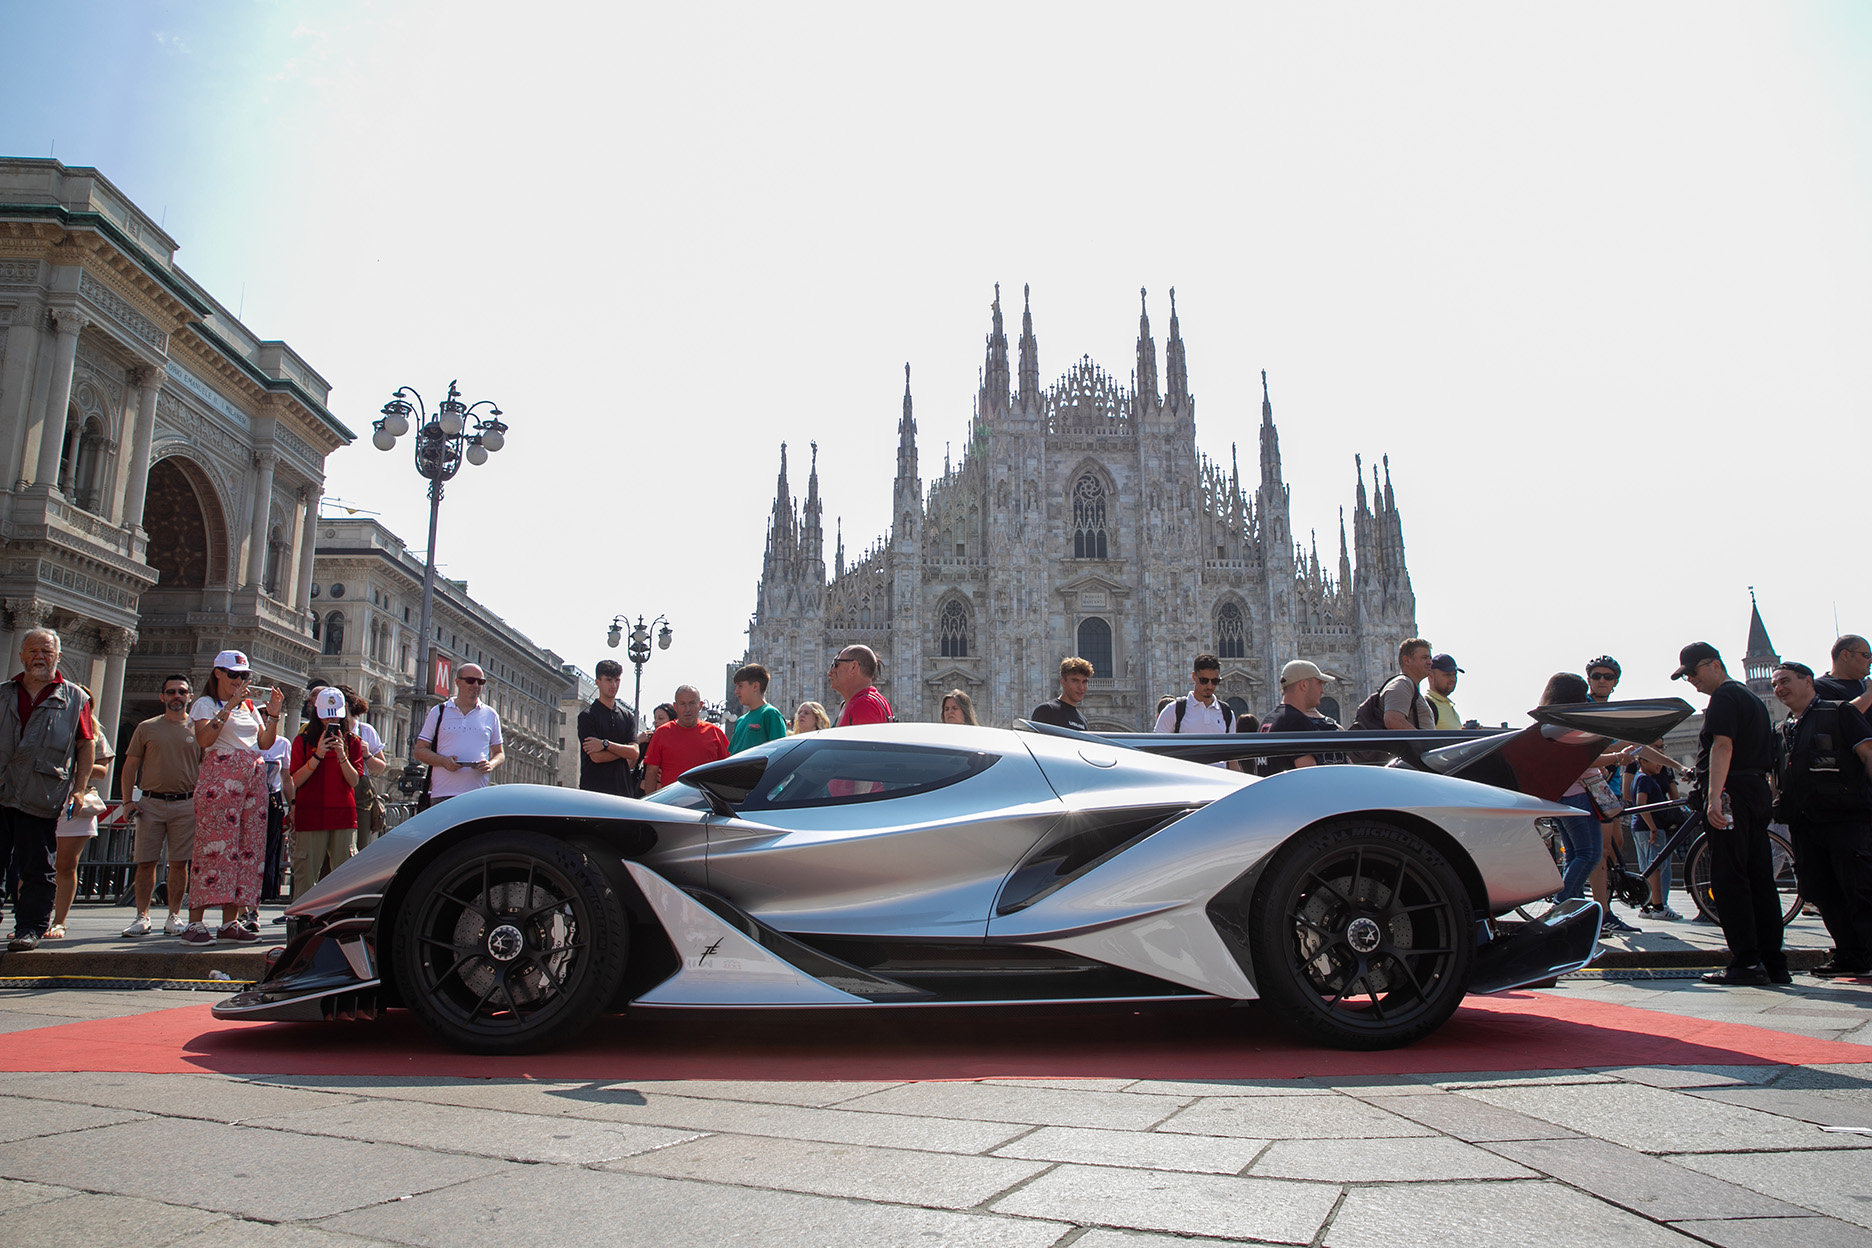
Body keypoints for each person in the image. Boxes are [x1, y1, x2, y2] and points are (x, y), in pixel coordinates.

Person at [1673, 641, 1786, 986]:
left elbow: (1723, 746)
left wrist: (1713, 796)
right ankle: (1773, 961)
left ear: (1714, 665)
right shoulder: (1752, 700)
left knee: (1729, 878)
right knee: (1760, 878)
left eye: (1693, 672)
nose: (1691, 680)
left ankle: (1746, 962)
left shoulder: (1723, 698)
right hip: (1754, 791)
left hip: (1732, 790)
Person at [1771, 660, 1872, 978]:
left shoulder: (1839, 712)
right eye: (1775, 684)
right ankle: (1849, 954)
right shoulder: (1784, 727)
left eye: (1785, 680)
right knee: (1822, 891)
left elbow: (1868, 753)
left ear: (1808, 682)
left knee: (1858, 888)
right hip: (1804, 823)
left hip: (1846, 819)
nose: (1779, 688)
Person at [0, 629, 98, 952]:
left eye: (46, 651)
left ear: (58, 656)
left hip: (41, 794)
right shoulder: (4, 693)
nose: (39, 657)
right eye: (33, 651)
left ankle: (30, 928)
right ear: (21, 656)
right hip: (2, 789)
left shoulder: (76, 699)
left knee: (37, 867)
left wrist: (80, 789)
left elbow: (86, 746)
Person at [186, 649, 284, 945]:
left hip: (252, 775)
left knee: (247, 847)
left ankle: (231, 920)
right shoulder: (205, 703)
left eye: (244, 675)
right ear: (218, 673)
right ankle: (194, 923)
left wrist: (275, 714)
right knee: (213, 845)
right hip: (221, 775)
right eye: (234, 675)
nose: (239, 680)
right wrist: (228, 705)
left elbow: (264, 743)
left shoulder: (249, 706)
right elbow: (204, 740)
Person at [119, 674, 202, 937]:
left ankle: (174, 915)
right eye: (171, 692)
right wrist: (127, 802)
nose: (176, 696)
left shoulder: (199, 729)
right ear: (162, 697)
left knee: (179, 863)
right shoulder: (146, 727)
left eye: (181, 692)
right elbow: (130, 765)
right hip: (150, 803)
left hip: (186, 803)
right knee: (146, 862)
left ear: (190, 696)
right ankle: (141, 916)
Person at [287, 686, 365, 900]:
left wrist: (341, 755)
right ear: (316, 714)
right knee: (306, 877)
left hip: (343, 816)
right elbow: (298, 779)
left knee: (345, 875)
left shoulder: (352, 742)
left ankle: (341, 924)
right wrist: (318, 754)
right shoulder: (302, 741)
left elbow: (354, 781)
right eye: (325, 718)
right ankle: (303, 924)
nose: (330, 723)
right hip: (311, 815)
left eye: (336, 718)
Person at [48, 712, 111, 939]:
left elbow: (103, 771)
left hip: (76, 804)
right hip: (42, 799)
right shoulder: (47, 726)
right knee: (33, 864)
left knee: (65, 866)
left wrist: (77, 762)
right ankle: (31, 919)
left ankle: (58, 921)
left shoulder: (95, 735)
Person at [412, 663, 504, 802]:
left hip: (477, 795)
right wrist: (443, 761)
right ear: (457, 682)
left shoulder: (490, 714)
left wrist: (490, 764)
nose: (476, 685)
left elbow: (500, 753)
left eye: (480, 682)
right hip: (442, 795)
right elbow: (419, 750)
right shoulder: (439, 711)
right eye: (470, 680)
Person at [1154, 653, 1236, 768]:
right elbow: (1155, 752)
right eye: (1204, 680)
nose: (1209, 686)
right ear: (1194, 676)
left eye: (1215, 681)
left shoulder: (1227, 714)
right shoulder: (1174, 711)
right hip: (1186, 783)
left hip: (1218, 783)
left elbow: (1232, 758)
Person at [1628, 753, 1684, 921]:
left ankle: (1647, 905)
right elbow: (1641, 804)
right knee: (1656, 867)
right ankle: (1659, 907)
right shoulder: (1644, 779)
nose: (1659, 765)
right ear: (1643, 761)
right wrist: (1653, 827)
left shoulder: (1642, 778)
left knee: (1647, 866)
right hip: (1650, 827)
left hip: (1641, 827)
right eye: (1655, 760)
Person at [643, 685, 729, 793]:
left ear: (700, 705)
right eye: (682, 704)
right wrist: (650, 806)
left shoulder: (715, 733)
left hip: (707, 803)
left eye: (692, 703)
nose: (687, 709)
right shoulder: (662, 733)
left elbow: (726, 771)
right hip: (672, 803)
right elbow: (651, 772)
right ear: (675, 706)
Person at [1262, 660, 1344, 773]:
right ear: (1304, 685)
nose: (1322, 691)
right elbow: (1310, 776)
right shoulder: (1296, 722)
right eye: (1319, 683)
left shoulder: (1268, 720)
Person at [577, 659, 640, 795]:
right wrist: (623, 750)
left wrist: (606, 744)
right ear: (597, 682)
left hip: (623, 790)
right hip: (594, 791)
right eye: (608, 680)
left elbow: (634, 753)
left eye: (617, 680)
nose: (613, 685)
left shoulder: (627, 716)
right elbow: (596, 757)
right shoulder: (587, 716)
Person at [346, 689, 389, 851]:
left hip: (360, 792)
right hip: (334, 787)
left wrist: (367, 755)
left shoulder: (365, 731)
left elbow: (380, 767)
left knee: (360, 842)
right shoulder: (325, 729)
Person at [259, 718, 291, 902]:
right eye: (261, 713)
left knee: (271, 846)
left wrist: (292, 804)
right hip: (247, 797)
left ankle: (267, 892)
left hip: (272, 799)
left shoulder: (282, 743)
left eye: (269, 714)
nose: (265, 718)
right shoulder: (244, 740)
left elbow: (286, 777)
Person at [729, 663, 789, 754]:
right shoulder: (740, 720)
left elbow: (779, 752)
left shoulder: (770, 714)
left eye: (740, 686)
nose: (736, 691)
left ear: (755, 686)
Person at [829, 646, 893, 726]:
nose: (830, 672)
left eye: (836, 664)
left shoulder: (865, 704)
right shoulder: (849, 704)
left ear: (853, 667)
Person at [1382, 638, 1436, 730]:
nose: (1430, 662)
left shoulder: (1410, 687)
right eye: (1424, 658)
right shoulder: (1402, 684)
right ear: (1407, 660)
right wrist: (1422, 741)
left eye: (1430, 658)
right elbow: (1392, 720)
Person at [1031, 657, 1093, 730]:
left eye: (1084, 682)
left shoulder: (1083, 720)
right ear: (1063, 682)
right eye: (1075, 681)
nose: (1081, 687)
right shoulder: (1047, 710)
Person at [1816, 635, 1872, 715]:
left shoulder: (1866, 685)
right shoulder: (1820, 687)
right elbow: (1839, 719)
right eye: (1866, 655)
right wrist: (1869, 694)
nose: (1871, 661)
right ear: (1845, 655)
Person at [1425, 654, 1464, 729]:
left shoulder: (1448, 705)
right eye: (1447, 675)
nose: (1453, 679)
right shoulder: (1427, 705)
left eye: (1454, 674)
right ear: (1431, 676)